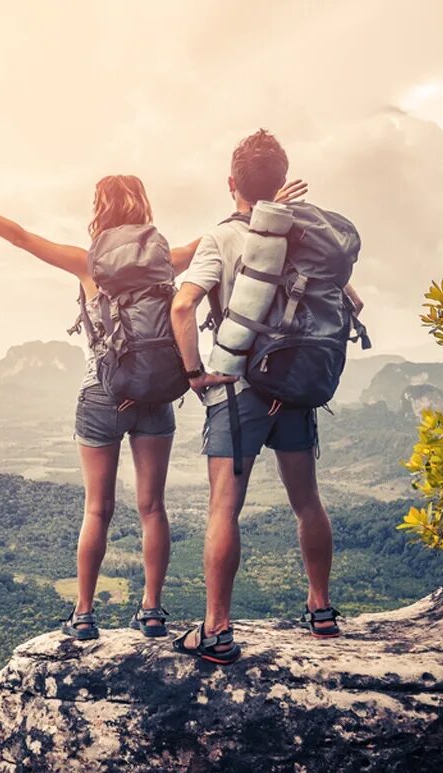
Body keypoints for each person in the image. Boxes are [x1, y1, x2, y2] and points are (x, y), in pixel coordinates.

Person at [0, 164, 307, 641]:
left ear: (99, 213)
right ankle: (151, 610)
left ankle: (83, 615)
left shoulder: (89, 263)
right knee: (153, 509)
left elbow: (19, 237)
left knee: (97, 509)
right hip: (157, 395)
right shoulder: (169, 261)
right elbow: (230, 237)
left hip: (103, 394)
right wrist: (270, 208)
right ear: (144, 210)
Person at [169, 130, 364, 664]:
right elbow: (356, 302)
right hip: (297, 387)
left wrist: (192, 372)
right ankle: (321, 610)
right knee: (307, 502)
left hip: (239, 392)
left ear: (231, 183)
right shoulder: (304, 235)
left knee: (223, 508)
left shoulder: (221, 239)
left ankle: (217, 630)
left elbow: (183, 306)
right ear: (283, 181)